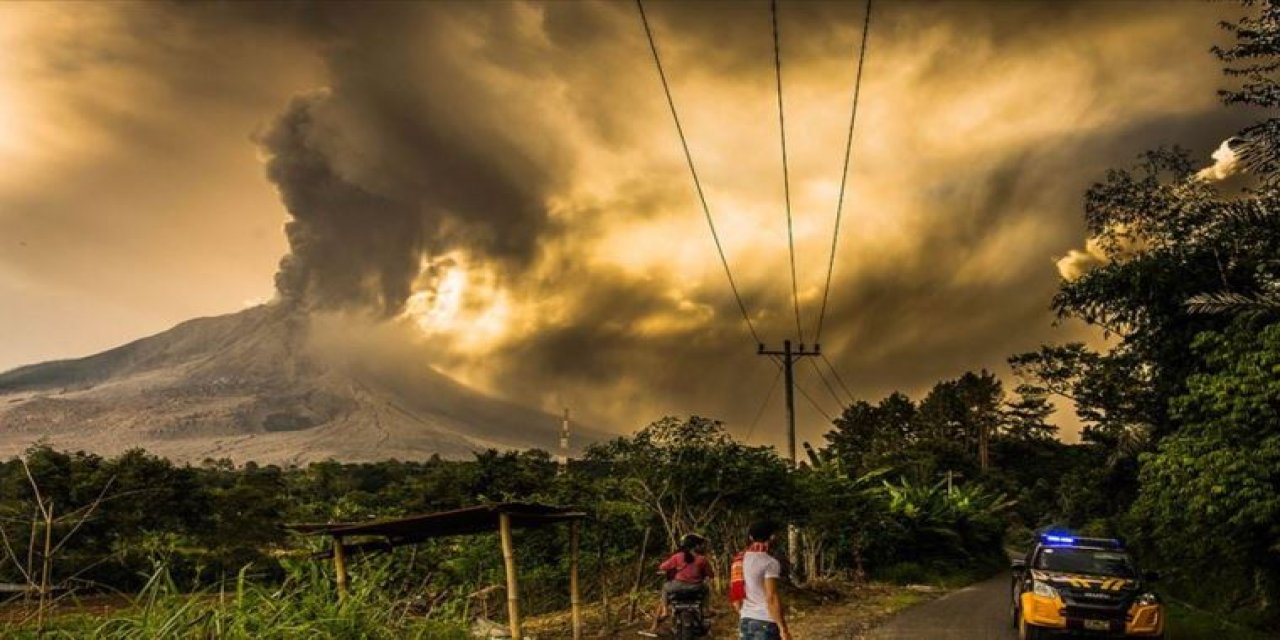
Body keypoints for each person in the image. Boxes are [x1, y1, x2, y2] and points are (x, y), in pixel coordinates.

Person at [729, 521, 791, 640]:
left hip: (745, 621)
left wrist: (745, 613)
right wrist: (783, 629)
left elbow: (735, 597)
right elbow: (771, 598)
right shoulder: (770, 562)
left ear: (751, 538)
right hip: (766, 622)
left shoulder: (738, 560)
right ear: (772, 537)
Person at [647, 533, 713, 635]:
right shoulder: (702, 559)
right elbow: (711, 574)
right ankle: (706, 610)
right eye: (699, 544)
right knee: (706, 589)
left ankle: (665, 611)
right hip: (696, 587)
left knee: (665, 587)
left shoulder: (677, 557)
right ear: (696, 546)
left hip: (677, 586)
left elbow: (662, 567)